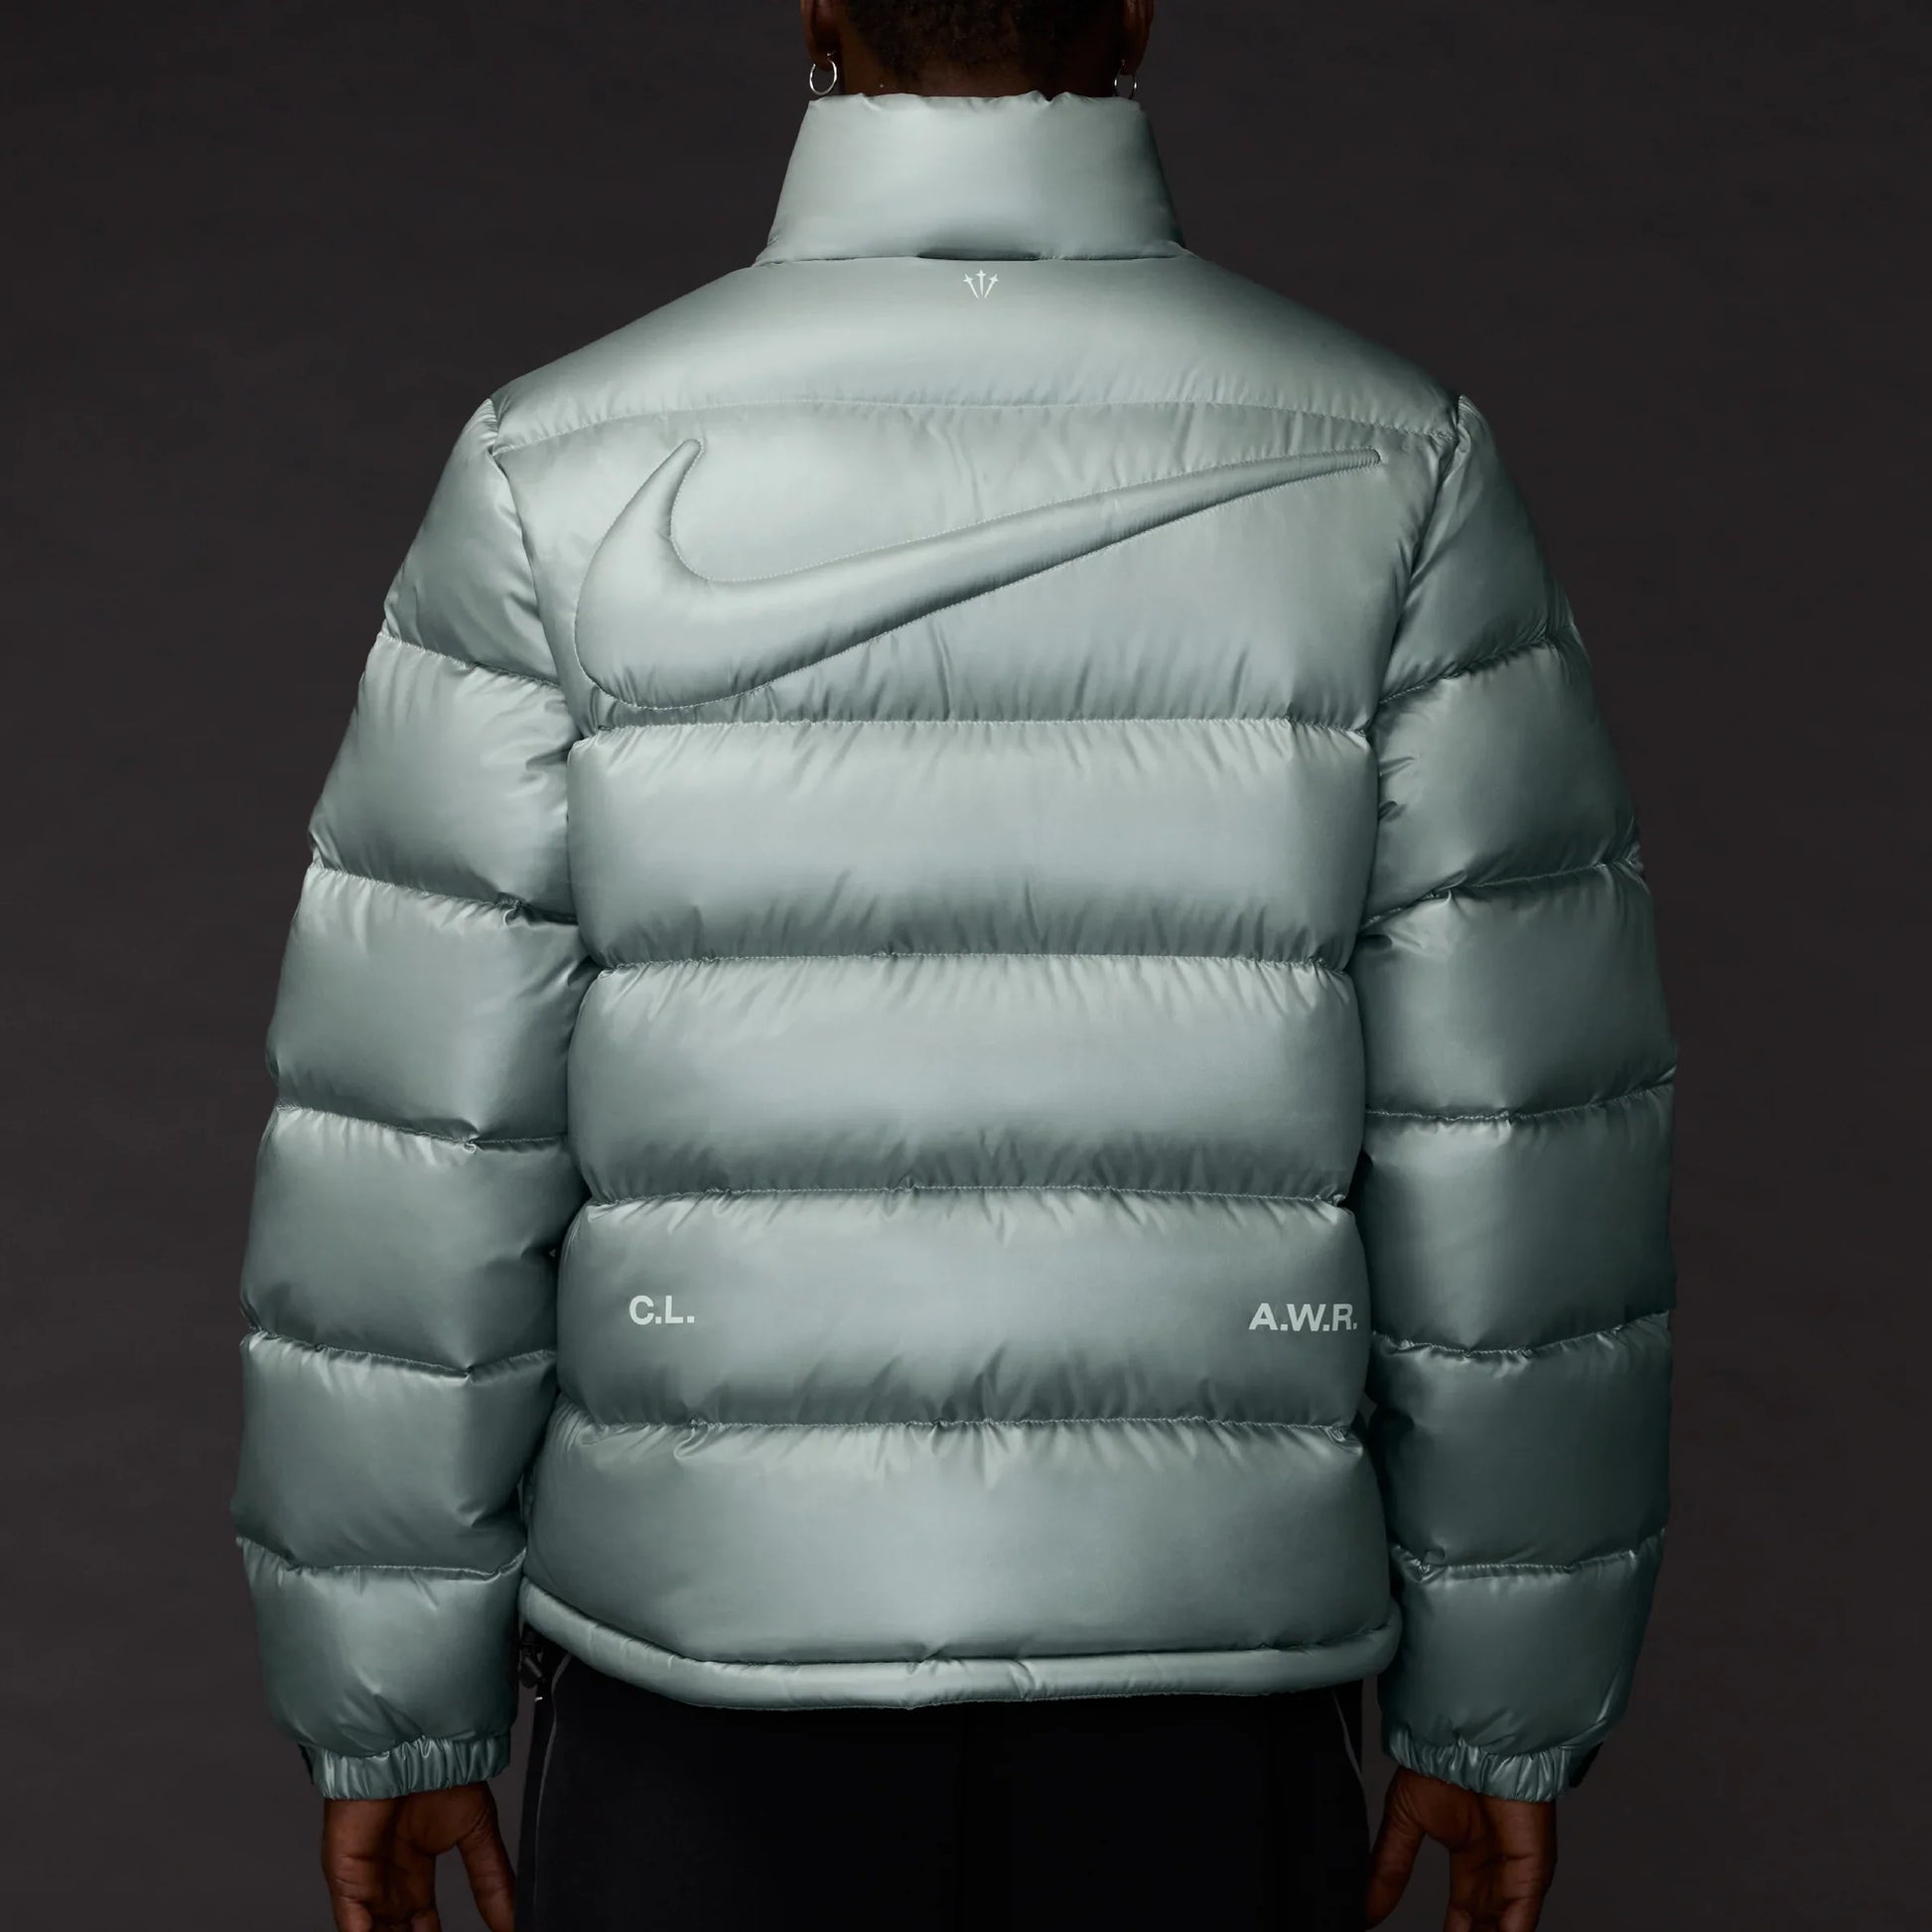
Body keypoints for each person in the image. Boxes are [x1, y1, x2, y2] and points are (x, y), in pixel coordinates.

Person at [231, 3, 1676, 1927]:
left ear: (816, 8)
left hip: (701, 1680)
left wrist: (393, 1706)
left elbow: (415, 1141)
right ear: (1135, 9)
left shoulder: (553, 470)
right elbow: (1515, 1146)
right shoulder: (1396, 465)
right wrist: (1500, 1701)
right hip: (1207, 1686)